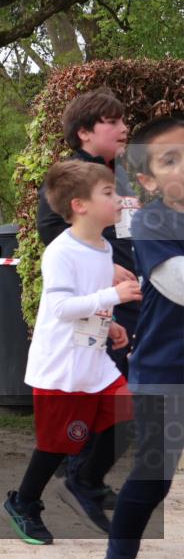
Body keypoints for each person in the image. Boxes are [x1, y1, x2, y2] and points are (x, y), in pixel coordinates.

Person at [0, 160, 140, 545]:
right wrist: (114, 296)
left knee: (129, 412)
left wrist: (108, 323)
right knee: (56, 445)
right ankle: (24, 502)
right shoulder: (61, 251)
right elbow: (61, 307)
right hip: (61, 366)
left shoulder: (103, 246)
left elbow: (85, 302)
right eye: (108, 194)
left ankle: (85, 482)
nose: (118, 200)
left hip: (92, 359)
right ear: (80, 205)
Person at [107, 117, 184, 559]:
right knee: (154, 477)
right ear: (147, 180)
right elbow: (176, 284)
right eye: (169, 160)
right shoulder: (153, 221)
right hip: (163, 372)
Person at [37, 88, 139, 373]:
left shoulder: (119, 174)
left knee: (126, 379)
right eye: (113, 122)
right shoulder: (71, 175)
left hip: (130, 298)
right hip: (99, 301)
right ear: (84, 132)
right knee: (95, 374)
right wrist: (106, 266)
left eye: (123, 121)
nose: (124, 128)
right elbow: (49, 227)